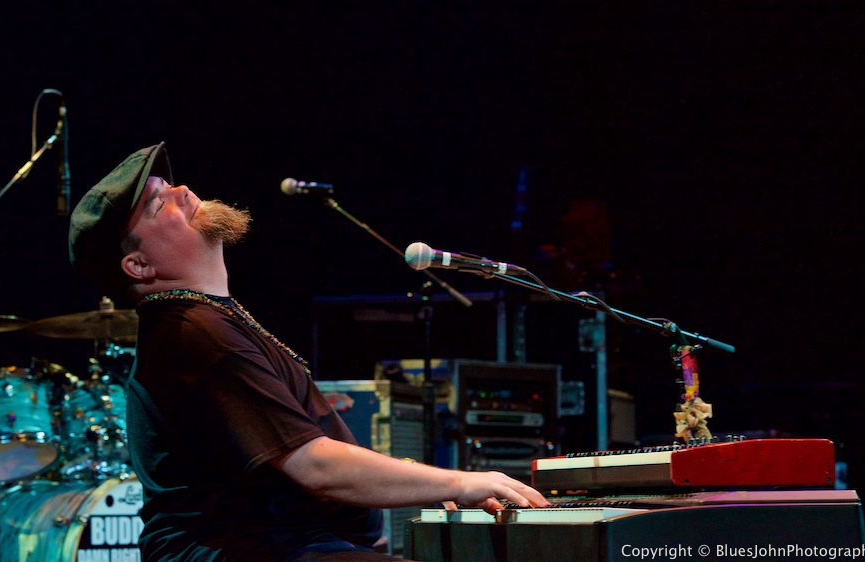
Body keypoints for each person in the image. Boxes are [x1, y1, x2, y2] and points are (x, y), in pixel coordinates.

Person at [68, 142, 549, 561]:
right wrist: (460, 482)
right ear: (139, 264)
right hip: (245, 550)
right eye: (158, 203)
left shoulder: (209, 319)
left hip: (294, 544)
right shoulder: (190, 333)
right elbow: (313, 465)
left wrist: (419, 479)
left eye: (171, 184)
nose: (183, 190)